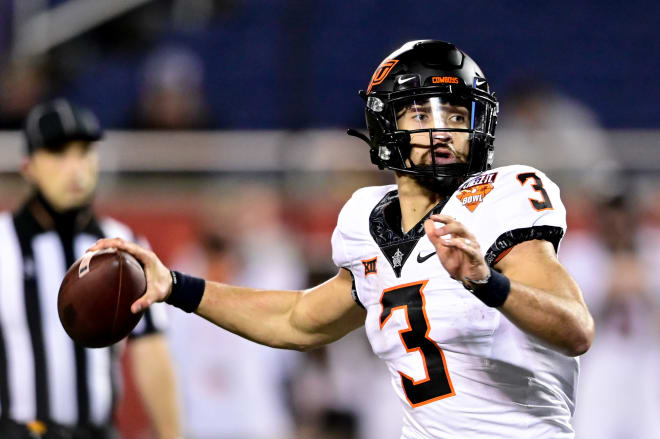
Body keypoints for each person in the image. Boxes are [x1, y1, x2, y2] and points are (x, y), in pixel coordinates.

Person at [91, 40, 594, 438]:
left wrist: (488, 283)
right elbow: (297, 321)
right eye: (422, 115)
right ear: (385, 123)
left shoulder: (500, 199)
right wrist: (176, 286)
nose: (442, 131)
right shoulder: (365, 221)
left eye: (457, 116)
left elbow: (575, 329)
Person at [0, 99, 182, 439]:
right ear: (28, 166)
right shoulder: (2, 244)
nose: (75, 167)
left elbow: (151, 352)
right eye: (58, 153)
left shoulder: (126, 245)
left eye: (84, 151)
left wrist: (172, 435)